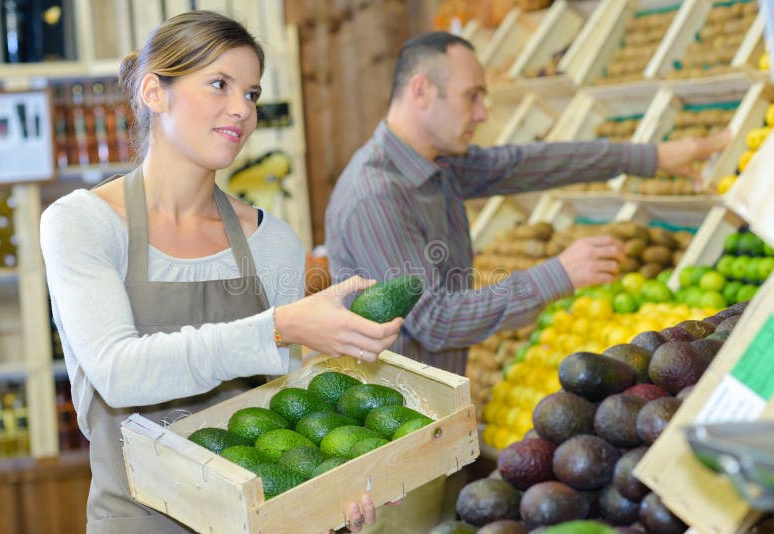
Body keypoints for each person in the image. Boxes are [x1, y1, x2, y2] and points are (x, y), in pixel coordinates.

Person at [324, 31, 730, 532]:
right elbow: (434, 321)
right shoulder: (377, 195)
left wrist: (654, 158)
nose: (482, 113)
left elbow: (530, 163)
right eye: (473, 95)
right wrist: (559, 274)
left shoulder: (437, 167)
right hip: (391, 438)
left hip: (436, 420)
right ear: (422, 91)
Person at [40, 11, 400, 534]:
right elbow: (118, 373)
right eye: (219, 84)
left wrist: (332, 496)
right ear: (154, 92)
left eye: (251, 94)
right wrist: (279, 325)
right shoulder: (82, 223)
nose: (242, 110)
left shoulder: (271, 241)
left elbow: (281, 411)